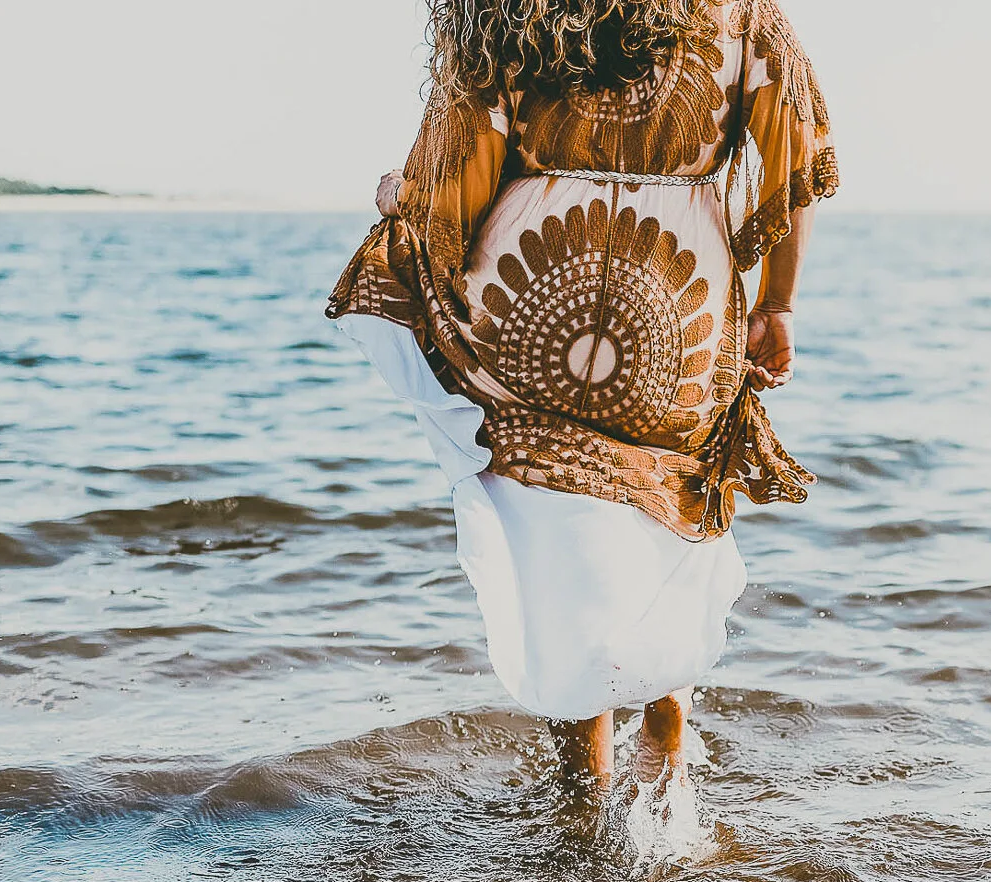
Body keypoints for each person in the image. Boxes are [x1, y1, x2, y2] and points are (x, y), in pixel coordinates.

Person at [328, 0, 837, 787]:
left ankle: (582, 802)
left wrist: (398, 192)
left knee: (562, 550)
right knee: (667, 510)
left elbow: (453, 182)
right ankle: (666, 737)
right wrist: (778, 303)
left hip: (529, 303)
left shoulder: (502, 10)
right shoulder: (740, 12)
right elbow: (795, 152)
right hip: (679, 313)